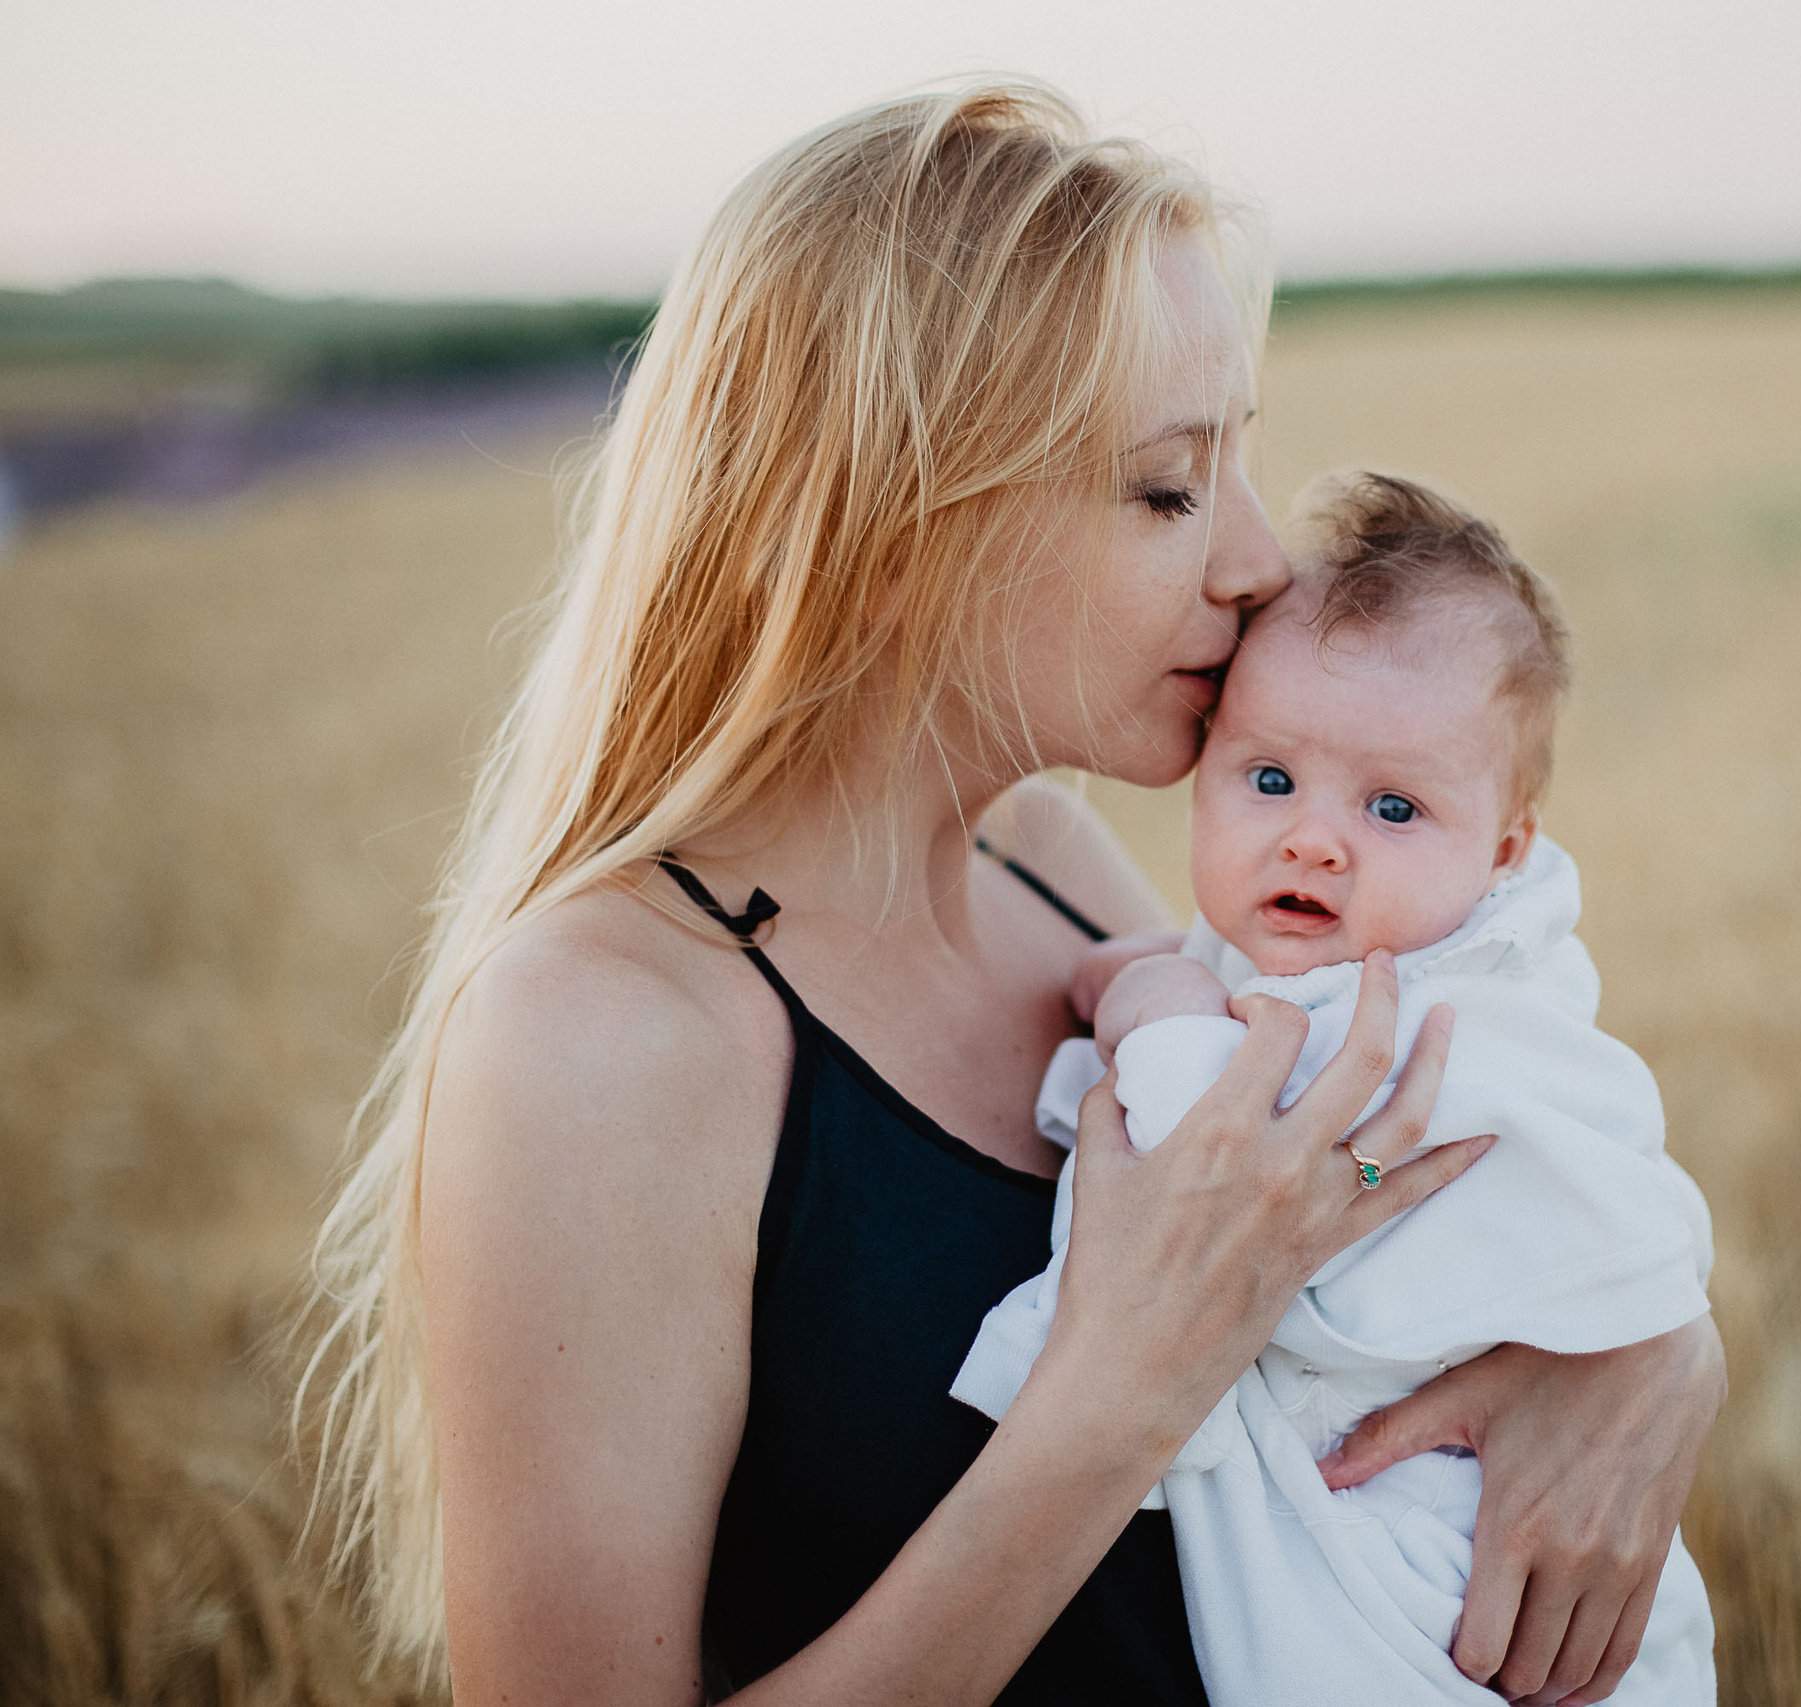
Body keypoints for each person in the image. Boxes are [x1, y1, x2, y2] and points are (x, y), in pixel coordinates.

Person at [304, 83, 1727, 1707]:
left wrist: (1658, 1352)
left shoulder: (1044, 865)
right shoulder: (604, 1029)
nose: (1261, 558)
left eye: (1241, 461)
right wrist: (1113, 1400)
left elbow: (1388, 1241)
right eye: (1171, 486)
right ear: (900, 520)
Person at [952, 470, 1718, 1703]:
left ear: (1507, 848)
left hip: (1432, 1559)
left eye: (1395, 806)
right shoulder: (1274, 957)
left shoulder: (1426, 1012)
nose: (1313, 839)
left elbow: (1212, 1148)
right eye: (1268, 782)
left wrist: (1146, 1006)